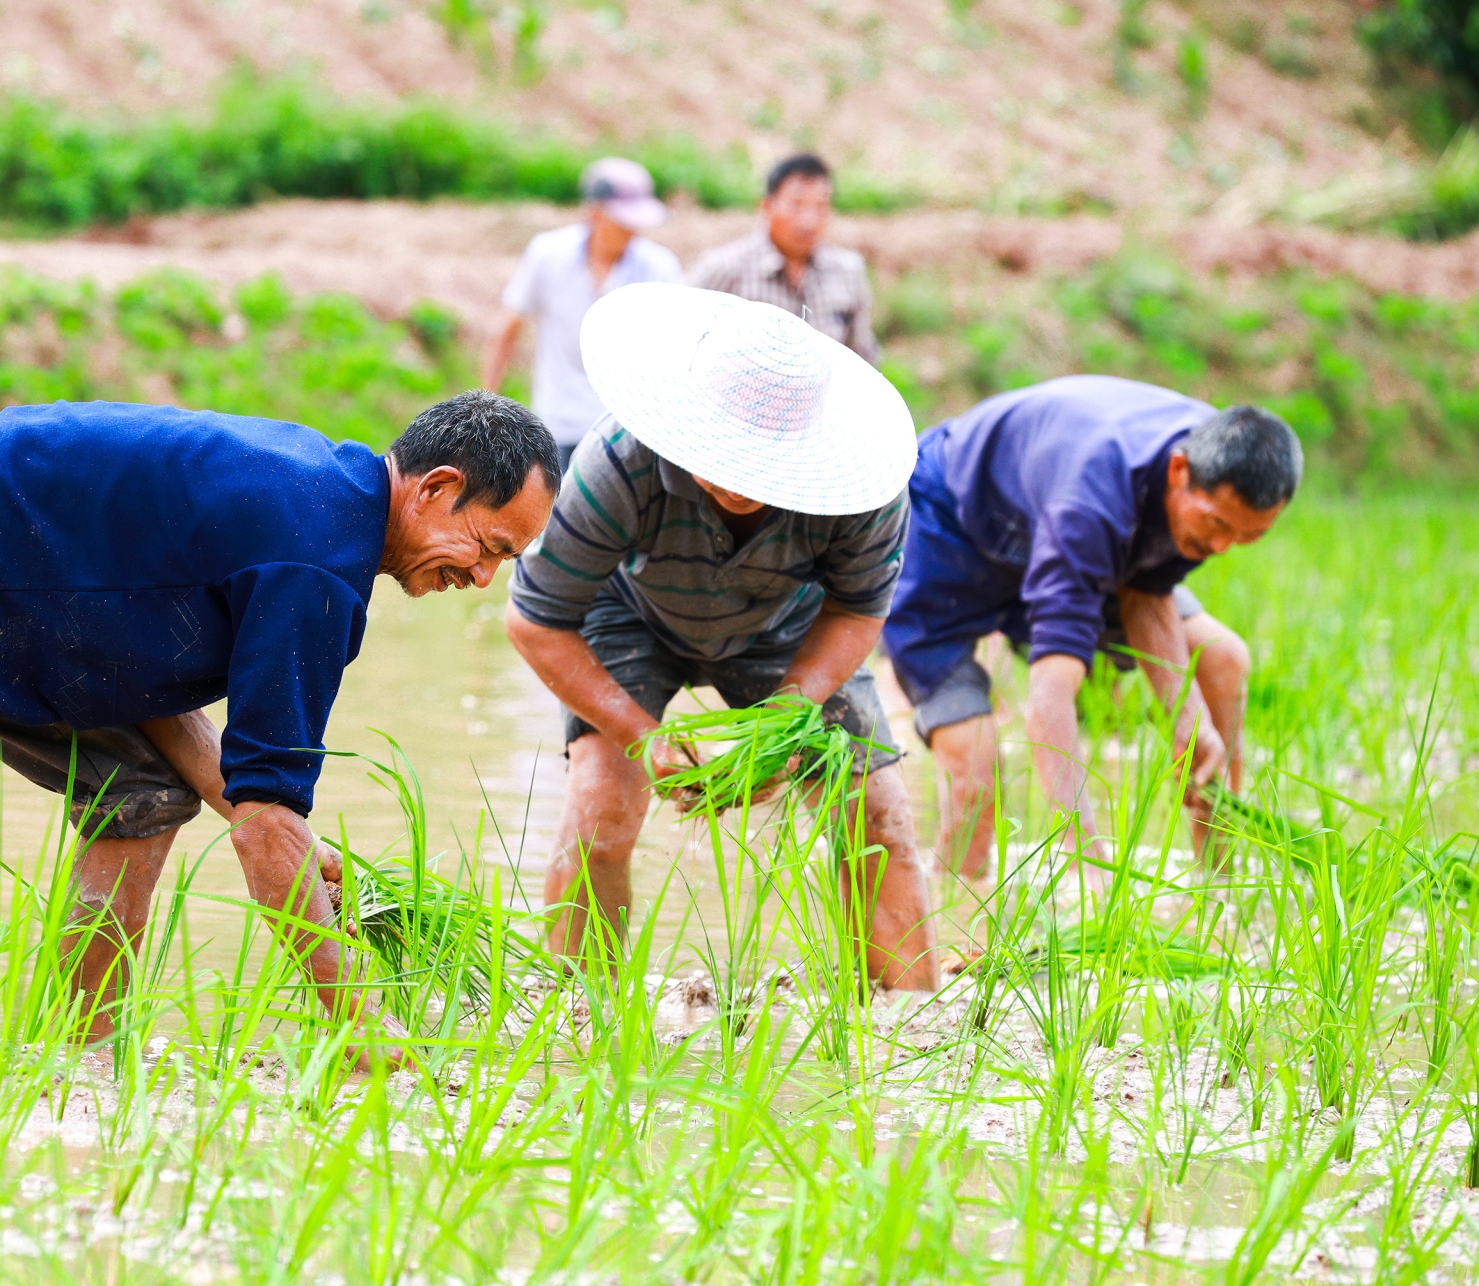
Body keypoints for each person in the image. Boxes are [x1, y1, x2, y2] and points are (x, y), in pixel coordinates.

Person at [0, 393, 559, 1062]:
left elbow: (161, 701)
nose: (483, 579)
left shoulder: (323, 506)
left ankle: (78, 1061)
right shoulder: (318, 559)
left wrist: (291, 837)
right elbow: (265, 822)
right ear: (437, 488)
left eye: (507, 561)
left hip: (16, 600)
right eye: (488, 546)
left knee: (145, 793)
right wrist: (356, 1017)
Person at [505, 282, 938, 991]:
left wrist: (790, 712)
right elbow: (535, 620)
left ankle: (913, 1024)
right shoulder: (618, 461)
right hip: (632, 613)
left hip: (787, 624)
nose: (742, 479)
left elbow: (859, 610)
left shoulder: (862, 483)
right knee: (600, 810)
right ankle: (577, 1016)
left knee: (879, 813)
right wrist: (643, 736)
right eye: (727, 454)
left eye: (764, 461)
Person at [880, 375, 1302, 880]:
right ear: (1179, 471)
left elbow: (1147, 592)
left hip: (1052, 526)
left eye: (1249, 535)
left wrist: (1187, 717)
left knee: (1222, 658)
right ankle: (955, 916)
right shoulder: (1092, 499)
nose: (1223, 547)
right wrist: (1090, 865)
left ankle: (1220, 883)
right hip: (948, 533)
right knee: (975, 770)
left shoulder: (1215, 456)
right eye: (1216, 525)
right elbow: (1049, 701)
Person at [483, 157, 684, 473]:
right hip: (558, 422)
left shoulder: (659, 268)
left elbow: (678, 348)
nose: (630, 230)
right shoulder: (548, 255)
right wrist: (486, 406)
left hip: (628, 431)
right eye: (622, 221)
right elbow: (509, 327)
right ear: (594, 211)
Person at [688, 152, 879, 364]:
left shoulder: (847, 272)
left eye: (820, 206)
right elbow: (684, 339)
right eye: (797, 205)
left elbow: (862, 358)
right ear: (767, 207)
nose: (809, 220)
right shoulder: (725, 269)